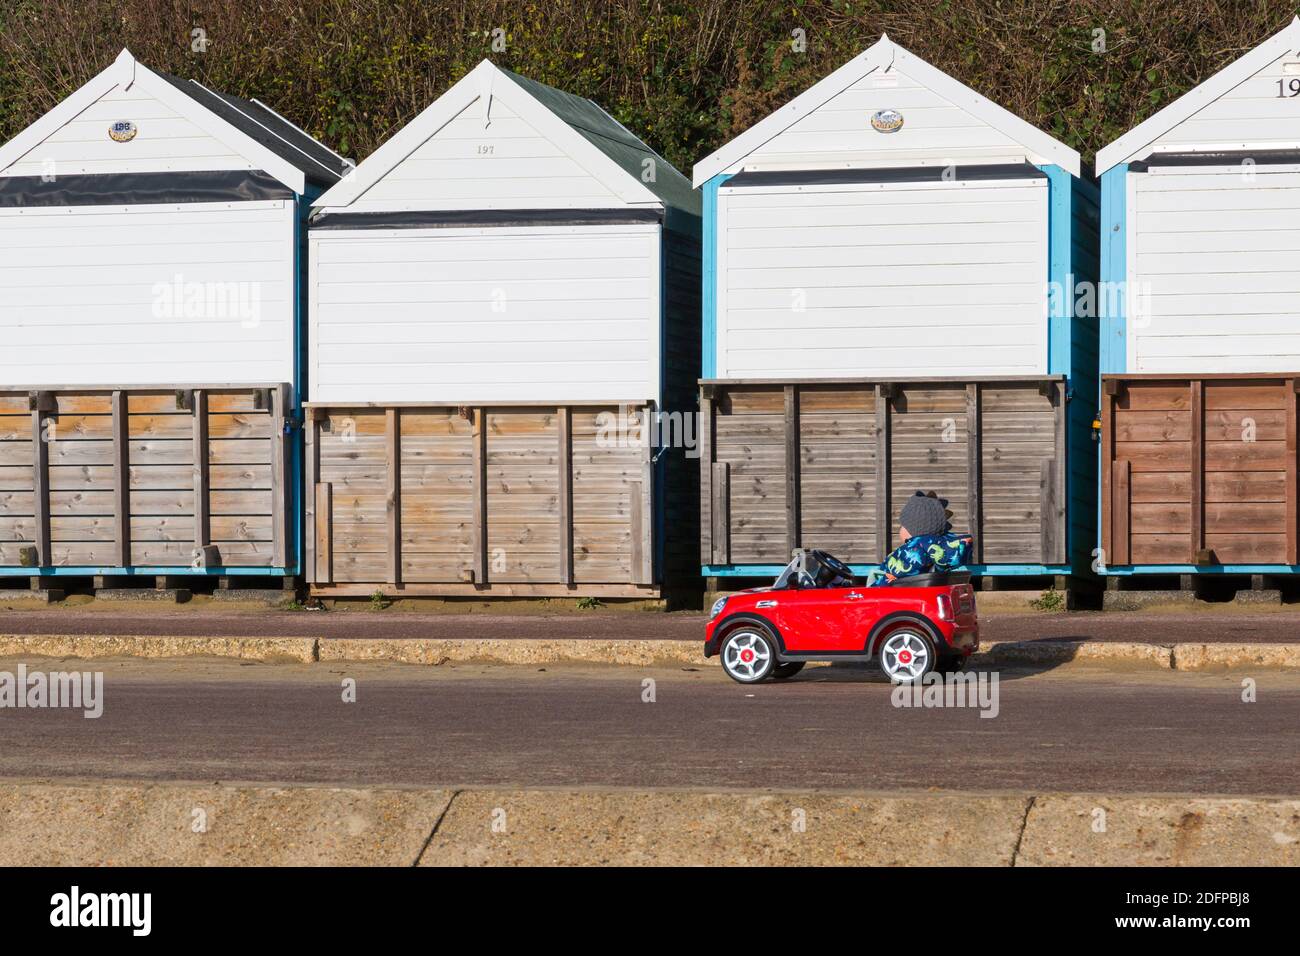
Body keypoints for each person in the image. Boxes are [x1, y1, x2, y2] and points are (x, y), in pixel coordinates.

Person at [869, 491, 973, 587]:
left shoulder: (911, 550)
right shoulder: (933, 549)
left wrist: (870, 590)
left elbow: (891, 577)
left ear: (913, 528)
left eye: (902, 525)